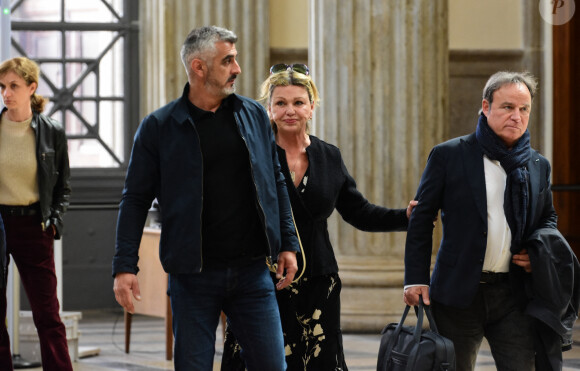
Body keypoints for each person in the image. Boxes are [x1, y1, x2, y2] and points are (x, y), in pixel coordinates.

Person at [112, 26, 300, 370]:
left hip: (252, 272)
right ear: (199, 67)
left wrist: (288, 242)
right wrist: (125, 266)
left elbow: (276, 181)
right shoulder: (159, 127)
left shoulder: (253, 115)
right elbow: (135, 199)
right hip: (192, 275)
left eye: (235, 59)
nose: (237, 69)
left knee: (273, 366)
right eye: (227, 60)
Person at [222, 64, 416, 370]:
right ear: (268, 110)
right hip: (263, 280)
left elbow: (359, 212)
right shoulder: (253, 155)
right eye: (281, 103)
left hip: (319, 282)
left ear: (312, 108)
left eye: (298, 102)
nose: (290, 111)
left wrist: (405, 217)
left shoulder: (329, 156)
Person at [403, 71, 562, 370]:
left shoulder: (538, 164)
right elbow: (422, 218)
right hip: (458, 292)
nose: (516, 116)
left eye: (524, 109)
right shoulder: (449, 155)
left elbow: (547, 217)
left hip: (515, 294)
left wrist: (538, 251)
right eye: (507, 107)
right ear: (486, 107)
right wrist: (415, 277)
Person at [0, 57, 72, 370]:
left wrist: (53, 222)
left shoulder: (51, 132)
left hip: (34, 223)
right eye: (2, 86)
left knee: (47, 313)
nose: (6, 93)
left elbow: (63, 187)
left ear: (32, 87)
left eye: (14, 86)